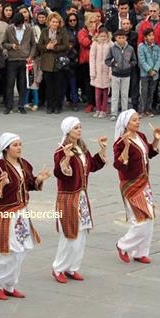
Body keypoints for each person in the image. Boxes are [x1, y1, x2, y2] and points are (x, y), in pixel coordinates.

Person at [0, 133, 52, 300]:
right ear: (6, 148)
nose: (19, 147)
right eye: (15, 145)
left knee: (24, 248)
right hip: (5, 214)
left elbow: (28, 184)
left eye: (20, 144)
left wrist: (38, 179)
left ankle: (10, 284)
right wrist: (1, 184)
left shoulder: (24, 164)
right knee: (9, 251)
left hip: (21, 212)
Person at [51, 118, 107, 282]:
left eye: (80, 127)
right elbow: (60, 173)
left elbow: (92, 166)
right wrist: (67, 158)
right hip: (68, 197)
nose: (79, 130)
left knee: (81, 233)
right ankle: (58, 267)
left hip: (81, 196)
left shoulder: (82, 149)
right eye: (76, 128)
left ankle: (72, 267)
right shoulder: (61, 150)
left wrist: (102, 150)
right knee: (68, 234)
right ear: (68, 131)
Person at [113, 110, 160, 264]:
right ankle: (123, 245)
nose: (137, 122)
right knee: (141, 219)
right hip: (131, 183)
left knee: (150, 217)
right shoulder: (120, 142)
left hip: (144, 182)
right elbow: (118, 165)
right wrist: (127, 147)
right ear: (126, 124)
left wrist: (156, 140)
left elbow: (149, 153)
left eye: (138, 119)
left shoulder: (141, 136)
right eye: (134, 120)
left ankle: (141, 252)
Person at [106, 29, 137, 120]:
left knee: (124, 94)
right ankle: (114, 113)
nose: (121, 40)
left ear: (126, 38)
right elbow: (107, 60)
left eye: (123, 37)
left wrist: (130, 65)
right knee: (115, 95)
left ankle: (124, 113)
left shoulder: (130, 48)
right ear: (115, 38)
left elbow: (134, 60)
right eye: (119, 38)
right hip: (115, 74)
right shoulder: (112, 48)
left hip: (126, 74)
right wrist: (113, 64)